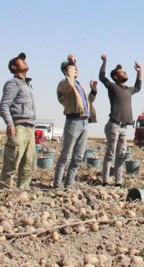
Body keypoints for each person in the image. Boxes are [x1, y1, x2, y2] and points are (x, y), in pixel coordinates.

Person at [53, 55, 98, 189]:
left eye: (75, 67)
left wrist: (93, 93)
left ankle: (68, 185)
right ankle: (57, 185)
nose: (75, 69)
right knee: (65, 156)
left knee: (78, 157)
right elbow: (69, 84)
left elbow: (85, 104)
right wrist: (72, 62)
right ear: (66, 71)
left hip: (84, 122)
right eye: (71, 67)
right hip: (73, 122)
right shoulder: (64, 85)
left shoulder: (79, 86)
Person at [99, 54, 142, 187]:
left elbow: (138, 87)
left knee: (121, 155)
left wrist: (139, 72)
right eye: (121, 72)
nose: (125, 73)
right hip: (114, 125)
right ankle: (105, 180)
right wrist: (105, 61)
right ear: (116, 77)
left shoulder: (128, 90)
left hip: (124, 127)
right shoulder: (113, 87)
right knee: (110, 153)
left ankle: (118, 181)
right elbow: (102, 77)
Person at [0, 52, 37, 189]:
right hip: (19, 127)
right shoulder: (12, 83)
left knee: (29, 162)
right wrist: (10, 123)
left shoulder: (27, 84)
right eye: (20, 61)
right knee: (12, 160)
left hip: (30, 127)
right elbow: (3, 106)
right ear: (14, 67)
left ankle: (23, 190)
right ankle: (5, 189)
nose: (24, 62)